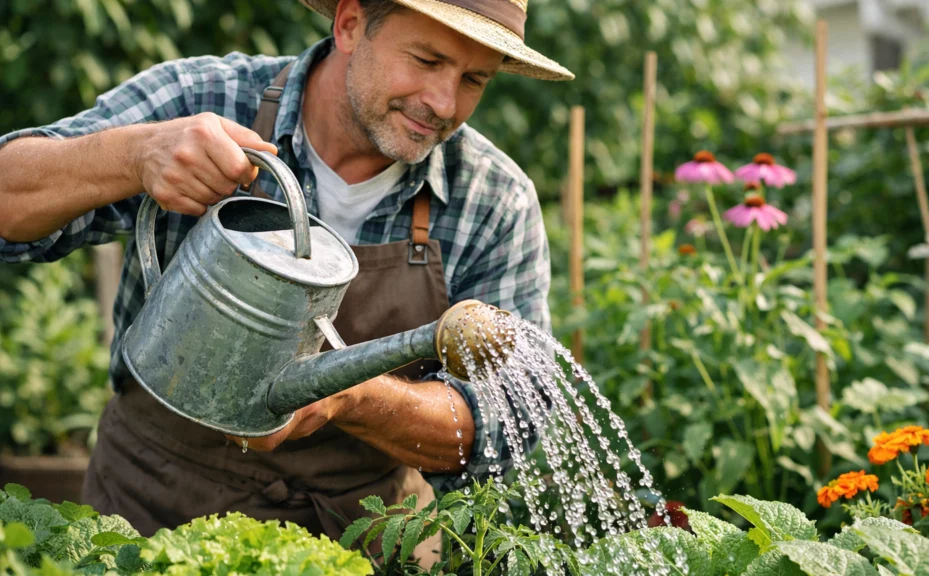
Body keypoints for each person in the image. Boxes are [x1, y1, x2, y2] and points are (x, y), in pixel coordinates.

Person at [0, 0, 572, 564]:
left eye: (474, 79)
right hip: (147, 517)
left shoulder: (493, 200)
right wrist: (136, 155)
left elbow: (501, 429)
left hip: (365, 540)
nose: (443, 103)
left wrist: (354, 396)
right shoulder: (205, 100)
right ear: (349, 24)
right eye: (425, 60)